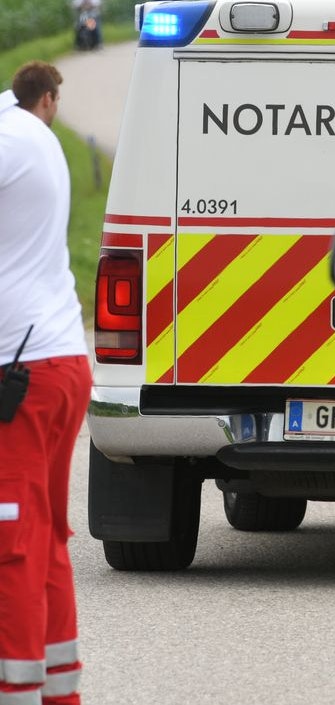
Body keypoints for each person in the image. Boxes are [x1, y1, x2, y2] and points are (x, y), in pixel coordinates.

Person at [0, 61, 91, 705]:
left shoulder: (9, 141)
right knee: (45, 536)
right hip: (60, 363)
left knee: (11, 544)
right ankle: (58, 690)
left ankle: (17, 692)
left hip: (20, 372)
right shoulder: (39, 140)